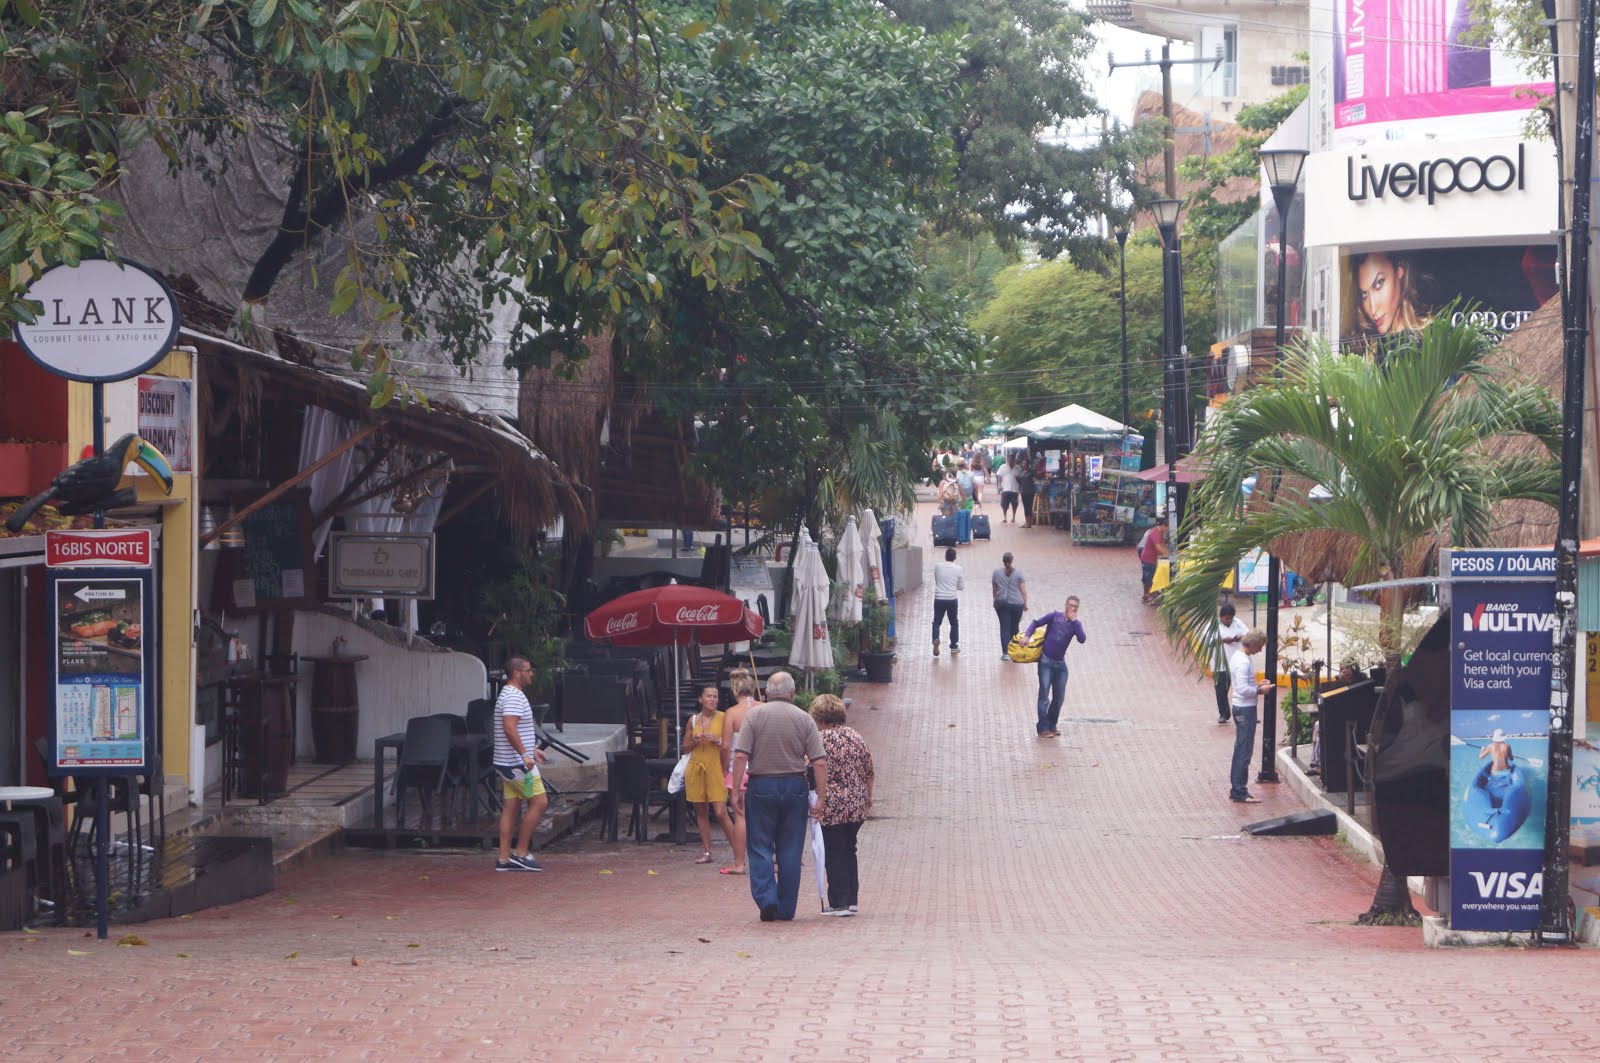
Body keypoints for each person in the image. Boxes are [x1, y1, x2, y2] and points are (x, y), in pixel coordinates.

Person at [730, 671, 829, 922]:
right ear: (793, 693)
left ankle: (767, 899)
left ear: (765, 693)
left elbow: (740, 755)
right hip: (794, 785)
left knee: (760, 845)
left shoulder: (754, 716)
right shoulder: (804, 719)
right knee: (791, 849)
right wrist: (821, 797)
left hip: (761, 785)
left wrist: (735, 792)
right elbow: (819, 761)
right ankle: (786, 908)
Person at [809, 694, 874, 917]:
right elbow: (869, 770)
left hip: (832, 802)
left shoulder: (819, 739)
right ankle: (852, 898)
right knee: (849, 848)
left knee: (833, 850)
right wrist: (868, 797)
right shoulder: (856, 736)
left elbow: (811, 767)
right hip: (856, 801)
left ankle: (839, 901)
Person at [492, 656, 549, 872]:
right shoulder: (514, 696)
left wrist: (531, 750)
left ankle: (504, 858)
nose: (531, 673)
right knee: (540, 802)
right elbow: (509, 727)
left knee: (512, 805)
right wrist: (525, 754)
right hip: (519, 767)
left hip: (508, 764)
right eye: (528, 670)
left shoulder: (508, 694)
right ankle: (521, 852)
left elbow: (514, 729)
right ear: (517, 673)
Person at [684, 684, 737, 865]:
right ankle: (707, 852)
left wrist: (718, 740)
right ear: (701, 699)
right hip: (696, 767)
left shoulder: (724, 717)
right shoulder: (693, 720)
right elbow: (684, 748)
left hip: (716, 767)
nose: (712, 699)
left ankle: (738, 853)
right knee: (700, 811)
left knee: (721, 812)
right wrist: (693, 741)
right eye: (709, 696)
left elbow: (730, 743)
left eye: (715, 696)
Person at [1023, 596, 1086, 737]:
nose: (1073, 608)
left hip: (1060, 664)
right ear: (1065, 605)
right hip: (1046, 661)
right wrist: (1027, 636)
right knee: (1044, 695)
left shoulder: (1076, 624)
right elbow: (1036, 623)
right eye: (1071, 605)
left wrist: (1075, 621)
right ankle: (1043, 728)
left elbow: (1082, 639)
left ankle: (1052, 724)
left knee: (1059, 697)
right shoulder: (1054, 616)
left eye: (1076, 606)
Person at [718, 669, 759, 875]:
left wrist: (723, 768)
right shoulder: (764, 708)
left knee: (740, 816)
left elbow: (726, 746)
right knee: (763, 817)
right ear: (752, 688)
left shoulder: (732, 713)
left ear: (735, 691)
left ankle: (739, 863)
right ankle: (771, 860)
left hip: (739, 770)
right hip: (763, 769)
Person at [1226, 629, 1274, 803]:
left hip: (1241, 708)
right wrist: (1260, 690)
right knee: (1244, 751)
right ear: (1253, 644)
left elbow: (1243, 684)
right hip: (1245, 709)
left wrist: (1257, 685)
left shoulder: (1239, 658)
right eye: (1259, 646)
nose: (1260, 650)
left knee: (1240, 748)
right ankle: (1239, 790)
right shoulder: (1244, 662)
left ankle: (1237, 788)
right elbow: (1242, 689)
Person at [1352, 250, 1428, 336]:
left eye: (1379, 283)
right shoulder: (1364, 345)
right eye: (1364, 294)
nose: (1373, 310)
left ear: (1399, 272)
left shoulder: (1432, 340)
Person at [1212, 602, 1249, 725]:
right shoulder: (1213, 626)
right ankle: (1224, 714)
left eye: (1231, 618)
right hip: (1220, 665)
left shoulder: (1237, 623)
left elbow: (1247, 634)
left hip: (1237, 663)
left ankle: (1246, 713)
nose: (1229, 620)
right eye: (1226, 618)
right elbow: (1207, 641)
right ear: (1220, 616)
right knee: (1221, 691)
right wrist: (1223, 640)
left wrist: (1240, 638)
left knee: (1241, 688)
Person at [991, 552, 1027, 661]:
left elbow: (994, 589)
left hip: (1002, 604)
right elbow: (1023, 591)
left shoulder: (996, 573)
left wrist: (995, 600)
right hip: (1017, 604)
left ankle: (1005, 653)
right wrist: (1025, 604)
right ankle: (1014, 650)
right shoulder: (1019, 573)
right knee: (1014, 627)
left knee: (1004, 627)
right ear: (1012, 561)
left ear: (1003, 561)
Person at [931, 547, 963, 657]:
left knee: (936, 622)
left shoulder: (938, 566)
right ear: (955, 558)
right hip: (951, 598)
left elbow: (936, 580)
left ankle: (936, 638)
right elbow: (961, 586)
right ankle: (954, 646)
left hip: (939, 598)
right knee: (954, 622)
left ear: (945, 556)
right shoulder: (958, 569)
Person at [1136, 523, 1168, 604]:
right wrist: (1169, 555)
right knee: (1148, 578)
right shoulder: (1155, 533)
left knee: (1150, 576)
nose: (1167, 530)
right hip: (1148, 558)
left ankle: (1148, 595)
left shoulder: (1159, 533)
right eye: (1167, 528)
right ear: (1163, 525)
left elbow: (1162, 546)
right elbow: (1159, 548)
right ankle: (1148, 596)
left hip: (1151, 557)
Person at [996, 452, 1021, 523]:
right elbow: (999, 475)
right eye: (1010, 459)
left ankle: (1013, 517)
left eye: (1013, 459)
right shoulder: (1002, 467)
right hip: (1005, 489)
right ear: (1007, 459)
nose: (1011, 461)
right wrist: (1000, 485)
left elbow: (1020, 478)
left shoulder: (1018, 468)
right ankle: (1005, 517)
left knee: (1015, 504)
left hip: (1015, 489)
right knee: (1004, 504)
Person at [1015, 453, 1037, 529]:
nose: (1023, 464)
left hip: (1030, 492)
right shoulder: (1021, 471)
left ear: (1028, 464)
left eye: (1025, 463)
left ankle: (1029, 522)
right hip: (1023, 491)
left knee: (1029, 507)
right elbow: (1018, 479)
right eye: (1023, 463)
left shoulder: (1031, 472)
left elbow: (1034, 480)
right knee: (1025, 507)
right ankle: (1026, 521)